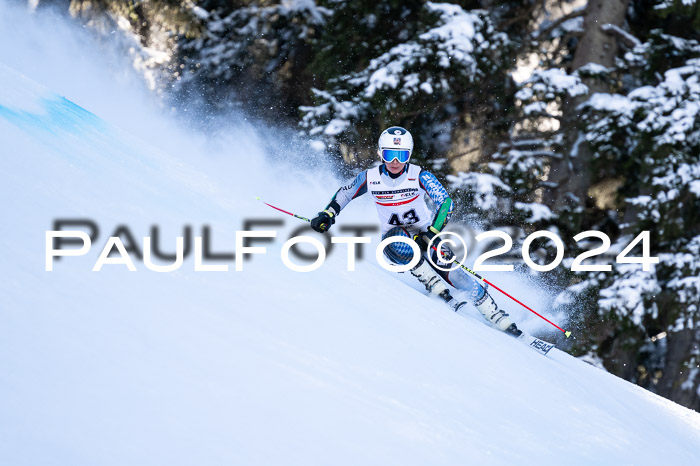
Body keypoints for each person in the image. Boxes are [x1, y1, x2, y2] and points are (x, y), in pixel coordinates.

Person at [310, 126, 522, 338]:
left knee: (459, 277)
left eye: (401, 156)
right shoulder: (370, 178)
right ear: (380, 154)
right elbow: (345, 194)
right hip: (395, 242)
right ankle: (433, 284)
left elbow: (446, 202)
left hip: (426, 235)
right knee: (400, 241)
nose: (395, 161)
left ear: (408, 155)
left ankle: (498, 317)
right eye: (389, 154)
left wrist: (433, 231)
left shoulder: (419, 175)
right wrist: (328, 214)